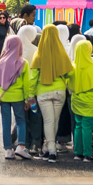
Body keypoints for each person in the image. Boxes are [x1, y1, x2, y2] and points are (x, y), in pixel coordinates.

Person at [29, 19, 73, 161]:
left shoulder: (38, 53)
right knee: (55, 120)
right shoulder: (62, 53)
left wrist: (30, 95)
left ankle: (51, 150)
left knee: (48, 121)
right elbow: (70, 73)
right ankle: (48, 148)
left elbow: (33, 77)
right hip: (60, 90)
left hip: (43, 91)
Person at [0, 33, 32, 159]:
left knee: (6, 122)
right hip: (18, 97)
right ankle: (21, 146)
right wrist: (27, 99)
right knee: (20, 121)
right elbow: (26, 84)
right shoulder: (23, 63)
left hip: (4, 97)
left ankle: (8, 149)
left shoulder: (2, 61)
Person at [67, 39, 93, 161]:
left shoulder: (72, 67)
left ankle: (78, 153)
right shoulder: (92, 67)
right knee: (88, 127)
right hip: (90, 100)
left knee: (78, 125)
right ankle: (87, 154)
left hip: (76, 99)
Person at [17, 23, 43, 155]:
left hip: (17, 91)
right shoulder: (36, 50)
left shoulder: (13, 50)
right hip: (33, 90)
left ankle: (22, 143)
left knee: (21, 118)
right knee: (35, 116)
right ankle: (35, 143)